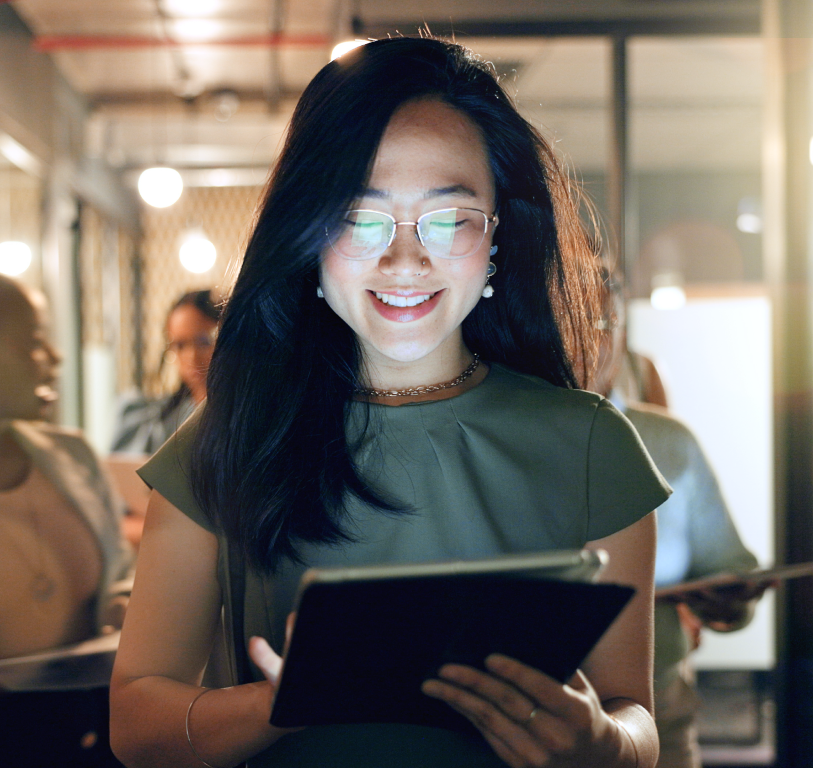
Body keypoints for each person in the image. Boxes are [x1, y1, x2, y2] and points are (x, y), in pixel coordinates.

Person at [110, 37, 671, 768]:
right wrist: (282, 705)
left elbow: (636, 716)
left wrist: (602, 744)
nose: (404, 260)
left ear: (499, 233)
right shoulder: (230, 438)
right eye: (358, 217)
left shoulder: (595, 446)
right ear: (308, 234)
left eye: (448, 219)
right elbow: (135, 721)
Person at [0, 270, 133, 767]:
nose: (54, 359)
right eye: (31, 344)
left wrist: (121, 603)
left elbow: (120, 570)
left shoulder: (72, 456)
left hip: (92, 723)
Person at [593, 269, 765, 768]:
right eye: (570, 318)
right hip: (525, 708)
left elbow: (729, 564)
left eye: (605, 320)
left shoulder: (670, 442)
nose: (591, 337)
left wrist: (729, 599)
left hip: (658, 697)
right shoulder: (506, 438)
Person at [111, 289, 221, 456]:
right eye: (180, 345)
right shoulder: (156, 420)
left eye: (204, 341)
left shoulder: (243, 416)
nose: (192, 357)